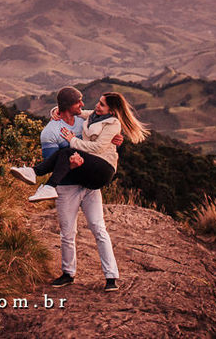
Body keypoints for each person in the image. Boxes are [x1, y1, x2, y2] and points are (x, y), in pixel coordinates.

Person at [11, 91, 149, 292]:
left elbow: (102, 142)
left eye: (99, 103)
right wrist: (54, 112)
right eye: (79, 103)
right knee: (67, 233)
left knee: (98, 228)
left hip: (89, 183)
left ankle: (111, 277)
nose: (85, 105)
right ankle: (68, 274)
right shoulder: (51, 131)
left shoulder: (87, 120)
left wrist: (113, 141)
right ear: (68, 107)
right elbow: (55, 159)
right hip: (67, 185)